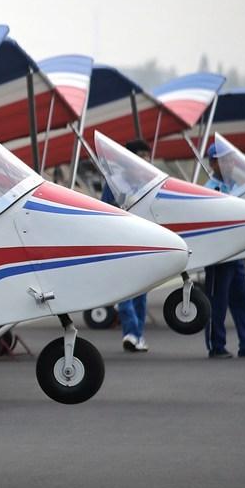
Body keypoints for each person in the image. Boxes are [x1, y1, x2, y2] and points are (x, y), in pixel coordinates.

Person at [203, 143, 245, 359]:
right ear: (213, 163)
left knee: (243, 302)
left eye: (232, 159)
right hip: (219, 257)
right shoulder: (210, 188)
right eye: (224, 160)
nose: (230, 164)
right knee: (217, 304)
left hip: (237, 255)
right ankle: (216, 346)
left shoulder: (236, 186)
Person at [100, 139, 152, 353]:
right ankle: (131, 332)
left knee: (141, 292)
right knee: (126, 292)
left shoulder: (149, 182)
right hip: (121, 243)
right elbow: (103, 209)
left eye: (147, 158)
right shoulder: (114, 182)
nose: (145, 162)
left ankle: (137, 335)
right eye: (140, 157)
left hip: (145, 242)